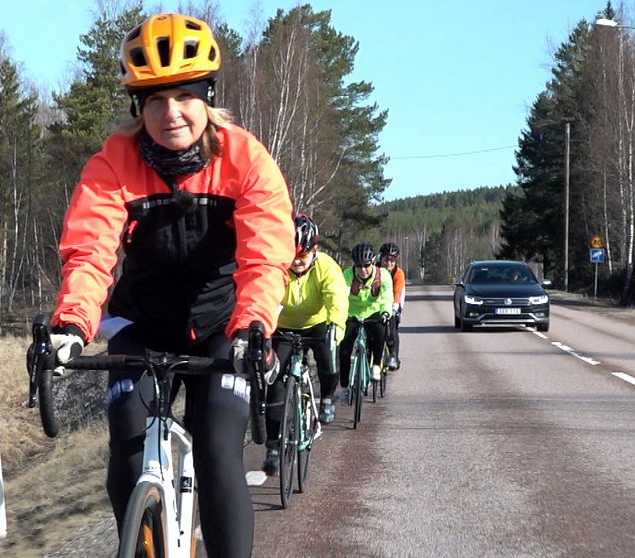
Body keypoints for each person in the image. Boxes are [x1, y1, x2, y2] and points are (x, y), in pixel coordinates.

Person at [37, 13, 293, 558]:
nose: (170, 112)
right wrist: (72, 324)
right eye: (154, 99)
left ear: (208, 97)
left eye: (183, 96)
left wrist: (253, 325)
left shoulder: (246, 160)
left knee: (218, 449)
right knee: (127, 444)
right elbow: (90, 250)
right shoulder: (113, 164)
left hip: (223, 326)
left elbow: (265, 256)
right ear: (138, 107)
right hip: (143, 324)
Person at [261, 213, 348, 474]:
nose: (298, 261)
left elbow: (337, 299)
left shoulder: (327, 267)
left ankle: (328, 398)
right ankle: (274, 446)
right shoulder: (277, 267)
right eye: (293, 254)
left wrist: (336, 325)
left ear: (315, 250)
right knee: (275, 383)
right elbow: (266, 297)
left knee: (328, 354)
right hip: (284, 325)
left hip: (318, 322)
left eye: (304, 254)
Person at [338, 242, 393, 395]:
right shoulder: (348, 275)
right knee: (344, 348)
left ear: (372, 263)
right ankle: (344, 387)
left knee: (381, 330)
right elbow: (341, 296)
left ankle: (376, 365)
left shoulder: (383, 275)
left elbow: (387, 297)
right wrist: (339, 315)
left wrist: (386, 313)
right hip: (352, 313)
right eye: (359, 266)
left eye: (366, 265)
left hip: (373, 312)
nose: (362, 270)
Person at [379, 242, 406, 370]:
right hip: (378, 301)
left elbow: (397, 291)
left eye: (392, 260)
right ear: (380, 258)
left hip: (395, 299)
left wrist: (395, 306)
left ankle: (394, 355)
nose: (389, 263)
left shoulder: (398, 273)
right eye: (386, 259)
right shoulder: (374, 270)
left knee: (392, 324)